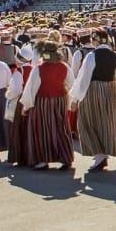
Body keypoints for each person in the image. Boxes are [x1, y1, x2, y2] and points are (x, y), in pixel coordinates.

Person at [69, 27, 116, 172]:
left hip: (93, 90)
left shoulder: (92, 56)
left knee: (89, 121)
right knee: (106, 121)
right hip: (109, 89)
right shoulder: (115, 55)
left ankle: (99, 155)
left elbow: (83, 78)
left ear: (96, 40)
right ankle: (103, 153)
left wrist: (75, 98)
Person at [20, 40, 74, 171]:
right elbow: (71, 83)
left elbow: (31, 89)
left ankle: (43, 159)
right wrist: (70, 100)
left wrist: (26, 106)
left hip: (42, 101)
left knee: (42, 129)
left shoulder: (38, 69)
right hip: (60, 100)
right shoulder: (64, 66)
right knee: (61, 128)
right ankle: (65, 157)